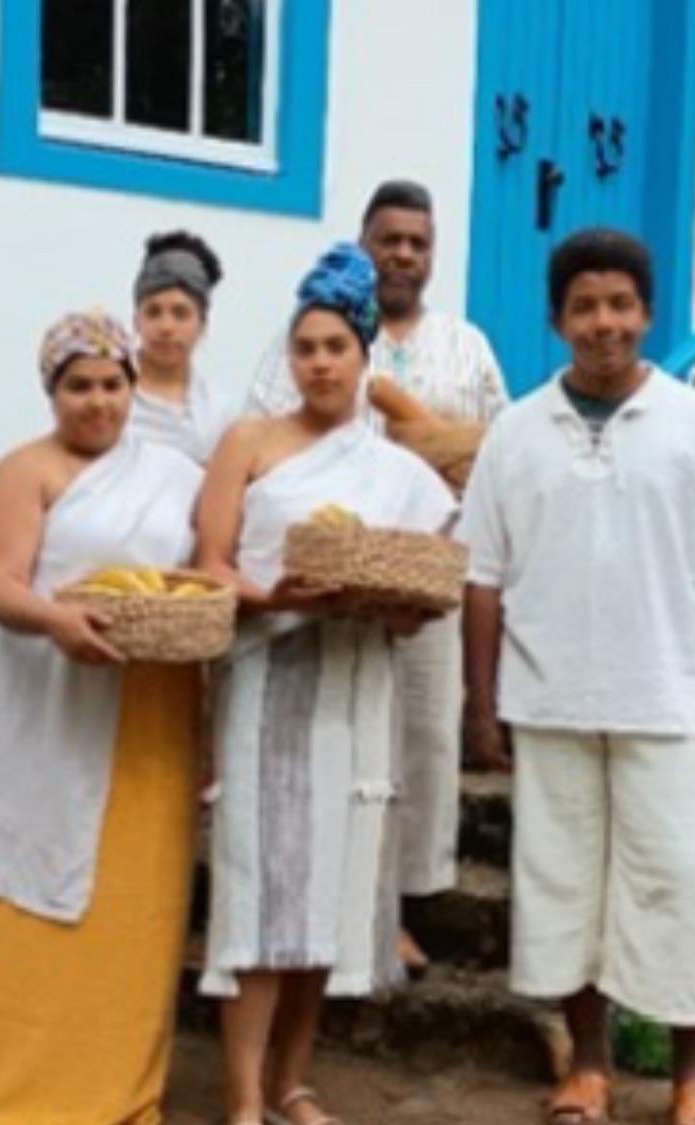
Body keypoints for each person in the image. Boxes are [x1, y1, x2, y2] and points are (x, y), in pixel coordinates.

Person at [458, 230, 695, 1125]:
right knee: (563, 887)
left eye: (620, 304)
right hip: (548, 700)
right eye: (584, 306)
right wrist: (481, 706)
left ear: (647, 312)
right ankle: (588, 1068)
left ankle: (694, 1076)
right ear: (556, 319)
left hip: (667, 700)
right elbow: (481, 580)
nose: (603, 322)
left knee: (677, 879)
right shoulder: (515, 433)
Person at [196, 244, 459, 1125]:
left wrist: (392, 602)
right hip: (268, 680)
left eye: (335, 347)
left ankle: (293, 1083)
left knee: (330, 892)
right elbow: (209, 563)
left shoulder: (396, 470)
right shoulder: (249, 442)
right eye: (305, 347)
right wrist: (275, 595)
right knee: (258, 886)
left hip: (355, 686)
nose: (319, 363)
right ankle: (242, 1097)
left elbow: (421, 600)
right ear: (289, 355)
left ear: (363, 356)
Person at [0, 311, 207, 1125]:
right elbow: (1, 584)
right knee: (39, 898)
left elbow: (203, 567)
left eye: (112, 384)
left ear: (132, 387)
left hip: (151, 710)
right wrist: (57, 620)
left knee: (139, 907)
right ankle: (12, 1093)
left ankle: (116, 1089)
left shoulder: (173, 473)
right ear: (51, 392)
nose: (98, 402)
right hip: (51, 711)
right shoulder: (24, 471)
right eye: (79, 386)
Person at [246, 180, 510, 973]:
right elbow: (261, 434)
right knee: (336, 735)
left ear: (433, 255)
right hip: (323, 572)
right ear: (363, 244)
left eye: (417, 243)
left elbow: (502, 452)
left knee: (421, 735)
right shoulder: (314, 337)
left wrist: (443, 449)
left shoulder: (466, 345)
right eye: (388, 239)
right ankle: (325, 894)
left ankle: (398, 904)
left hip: (426, 570)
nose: (402, 253)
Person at [128, 230, 233, 463]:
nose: (166, 327)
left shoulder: (216, 412)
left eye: (180, 313)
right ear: (136, 321)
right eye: (153, 312)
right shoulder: (106, 392)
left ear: (202, 325)